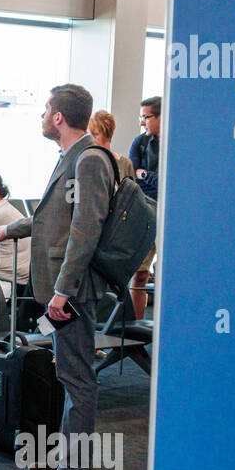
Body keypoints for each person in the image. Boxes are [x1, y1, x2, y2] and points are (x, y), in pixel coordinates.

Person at [0, 84, 114, 470]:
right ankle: (68, 461)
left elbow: (86, 229)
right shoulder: (71, 158)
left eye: (46, 109)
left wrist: (63, 290)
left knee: (79, 380)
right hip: (65, 287)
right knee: (71, 373)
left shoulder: (89, 160)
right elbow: (53, 218)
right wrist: (9, 228)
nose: (42, 115)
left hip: (72, 290)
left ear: (59, 117)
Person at [127, 96, 161, 319]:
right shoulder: (139, 143)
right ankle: (134, 328)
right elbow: (132, 179)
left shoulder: (178, 142)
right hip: (145, 212)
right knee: (139, 274)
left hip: (170, 212)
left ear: (161, 117)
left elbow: (167, 181)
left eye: (146, 117)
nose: (142, 122)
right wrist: (149, 178)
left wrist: (146, 174)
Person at [88, 110, 136, 182]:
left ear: (107, 134)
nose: (92, 139)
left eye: (95, 134)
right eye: (89, 135)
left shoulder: (125, 164)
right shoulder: (87, 162)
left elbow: (132, 192)